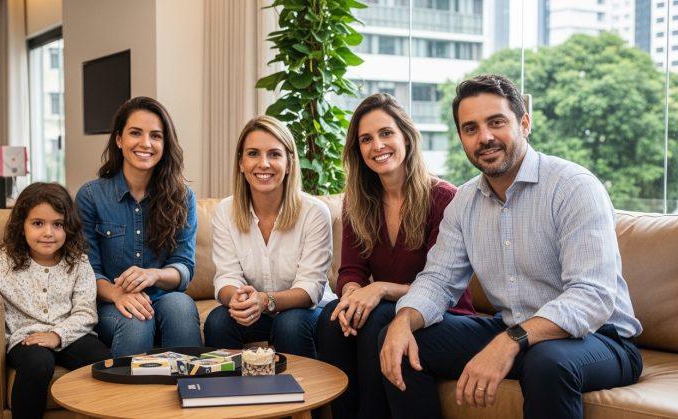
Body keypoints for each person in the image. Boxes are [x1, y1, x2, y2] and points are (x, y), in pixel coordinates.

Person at [379, 74, 643, 419]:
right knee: (400, 340)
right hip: (515, 330)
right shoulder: (464, 203)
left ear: (524, 124)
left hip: (600, 339)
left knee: (547, 362)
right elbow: (439, 281)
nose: (484, 137)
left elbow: (591, 296)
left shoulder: (573, 187)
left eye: (496, 122)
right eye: (470, 128)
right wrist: (404, 320)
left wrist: (511, 340)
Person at [315, 93, 475, 419]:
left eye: (386, 133)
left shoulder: (443, 198)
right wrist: (352, 296)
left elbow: (442, 285)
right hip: (388, 308)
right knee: (333, 318)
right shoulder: (357, 201)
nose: (377, 145)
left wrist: (380, 289)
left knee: (378, 317)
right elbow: (351, 271)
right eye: (366, 139)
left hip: (443, 312)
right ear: (358, 150)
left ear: (406, 137)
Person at [0, 182, 110, 419]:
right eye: (38, 223)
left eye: (58, 224)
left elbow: (86, 313)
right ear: (22, 226)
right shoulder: (4, 262)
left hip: (71, 334)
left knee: (102, 360)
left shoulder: (78, 262)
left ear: (68, 227)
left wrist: (56, 335)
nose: (48, 233)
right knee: (38, 364)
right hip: (26, 339)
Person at [76, 96, 201, 357]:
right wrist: (117, 294)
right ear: (119, 140)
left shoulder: (183, 197)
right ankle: (126, 387)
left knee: (181, 306)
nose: (146, 143)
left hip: (164, 297)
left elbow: (184, 267)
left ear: (165, 144)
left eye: (156, 136)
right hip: (110, 303)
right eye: (135, 133)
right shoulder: (90, 196)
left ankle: (191, 382)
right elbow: (86, 271)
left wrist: (154, 275)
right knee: (136, 320)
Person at [203, 115, 332, 358]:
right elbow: (226, 277)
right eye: (253, 154)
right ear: (241, 163)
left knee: (289, 324)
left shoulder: (314, 212)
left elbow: (310, 288)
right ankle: (230, 384)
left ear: (289, 163)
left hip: (306, 312)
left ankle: (301, 383)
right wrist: (238, 299)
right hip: (256, 311)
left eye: (274, 154)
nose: (263, 164)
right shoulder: (225, 211)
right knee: (218, 321)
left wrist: (265, 300)